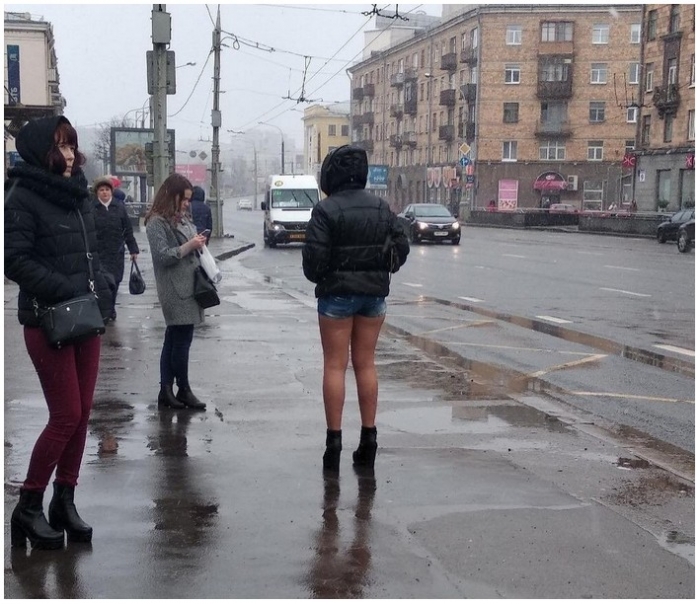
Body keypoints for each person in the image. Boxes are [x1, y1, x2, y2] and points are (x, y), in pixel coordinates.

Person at [5, 116, 113, 549]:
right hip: (46, 319)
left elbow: (91, 253)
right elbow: (14, 261)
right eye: (59, 146)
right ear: (39, 152)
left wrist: (102, 285)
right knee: (65, 414)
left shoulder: (78, 193)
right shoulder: (22, 196)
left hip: (85, 317)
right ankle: (28, 506)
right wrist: (66, 288)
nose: (68, 155)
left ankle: (64, 500)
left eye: (71, 145)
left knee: (83, 414)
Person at [302, 145, 409, 474]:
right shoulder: (381, 207)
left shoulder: (325, 210)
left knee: (335, 366)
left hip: (336, 297)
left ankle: (333, 446)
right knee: (366, 364)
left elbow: (313, 263)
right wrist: (382, 269)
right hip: (373, 297)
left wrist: (327, 275)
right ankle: (368, 441)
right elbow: (401, 246)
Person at [145, 173, 209, 411]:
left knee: (176, 339)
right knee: (180, 341)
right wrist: (190, 245)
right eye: (184, 199)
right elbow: (163, 256)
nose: (187, 204)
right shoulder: (156, 223)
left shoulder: (181, 218)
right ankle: (181, 389)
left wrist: (198, 242)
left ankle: (168, 390)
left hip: (189, 285)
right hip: (174, 288)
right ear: (172, 196)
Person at [92, 176, 139, 320]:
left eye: (107, 189)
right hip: (99, 253)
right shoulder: (91, 208)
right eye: (101, 190)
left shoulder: (119, 207)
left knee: (115, 281)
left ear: (111, 191)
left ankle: (111, 307)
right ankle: (104, 310)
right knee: (103, 283)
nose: (104, 192)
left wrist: (133, 249)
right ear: (97, 192)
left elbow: (127, 230)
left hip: (116, 252)